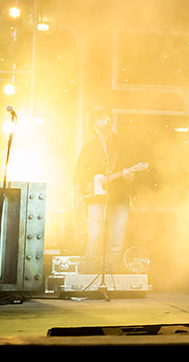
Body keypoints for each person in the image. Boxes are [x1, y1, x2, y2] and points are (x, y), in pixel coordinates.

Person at [73, 109, 143, 274]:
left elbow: (131, 175)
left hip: (119, 198)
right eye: (98, 121)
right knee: (95, 239)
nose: (103, 123)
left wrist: (128, 177)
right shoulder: (89, 148)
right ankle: (91, 277)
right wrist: (80, 195)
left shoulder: (123, 145)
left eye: (105, 119)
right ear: (93, 126)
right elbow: (78, 174)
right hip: (96, 200)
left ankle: (110, 276)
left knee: (116, 241)